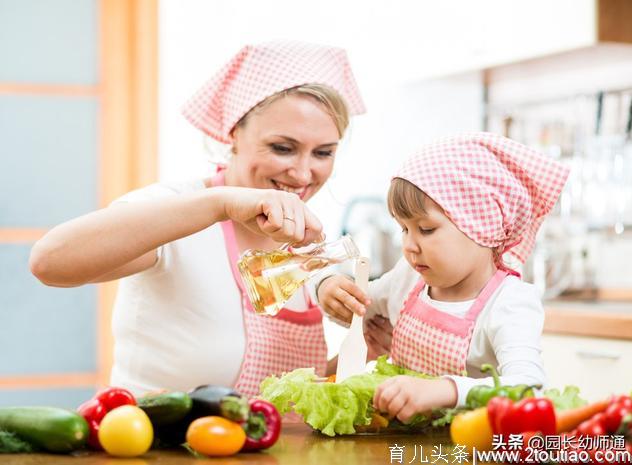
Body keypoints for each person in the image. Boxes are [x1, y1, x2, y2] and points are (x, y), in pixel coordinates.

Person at [29, 41, 370, 397]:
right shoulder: (177, 208)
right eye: (282, 148)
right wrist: (220, 204)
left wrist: (359, 354)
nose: (302, 173)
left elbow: (278, 393)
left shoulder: (306, 238)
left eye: (323, 153)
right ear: (233, 133)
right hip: (155, 448)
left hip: (262, 452)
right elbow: (49, 262)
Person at [318, 133, 570, 423]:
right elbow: (358, 311)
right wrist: (329, 290)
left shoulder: (510, 302)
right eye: (404, 229)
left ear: (481, 226)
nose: (410, 245)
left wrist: (444, 390)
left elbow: (529, 389)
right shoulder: (407, 277)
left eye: (426, 229)